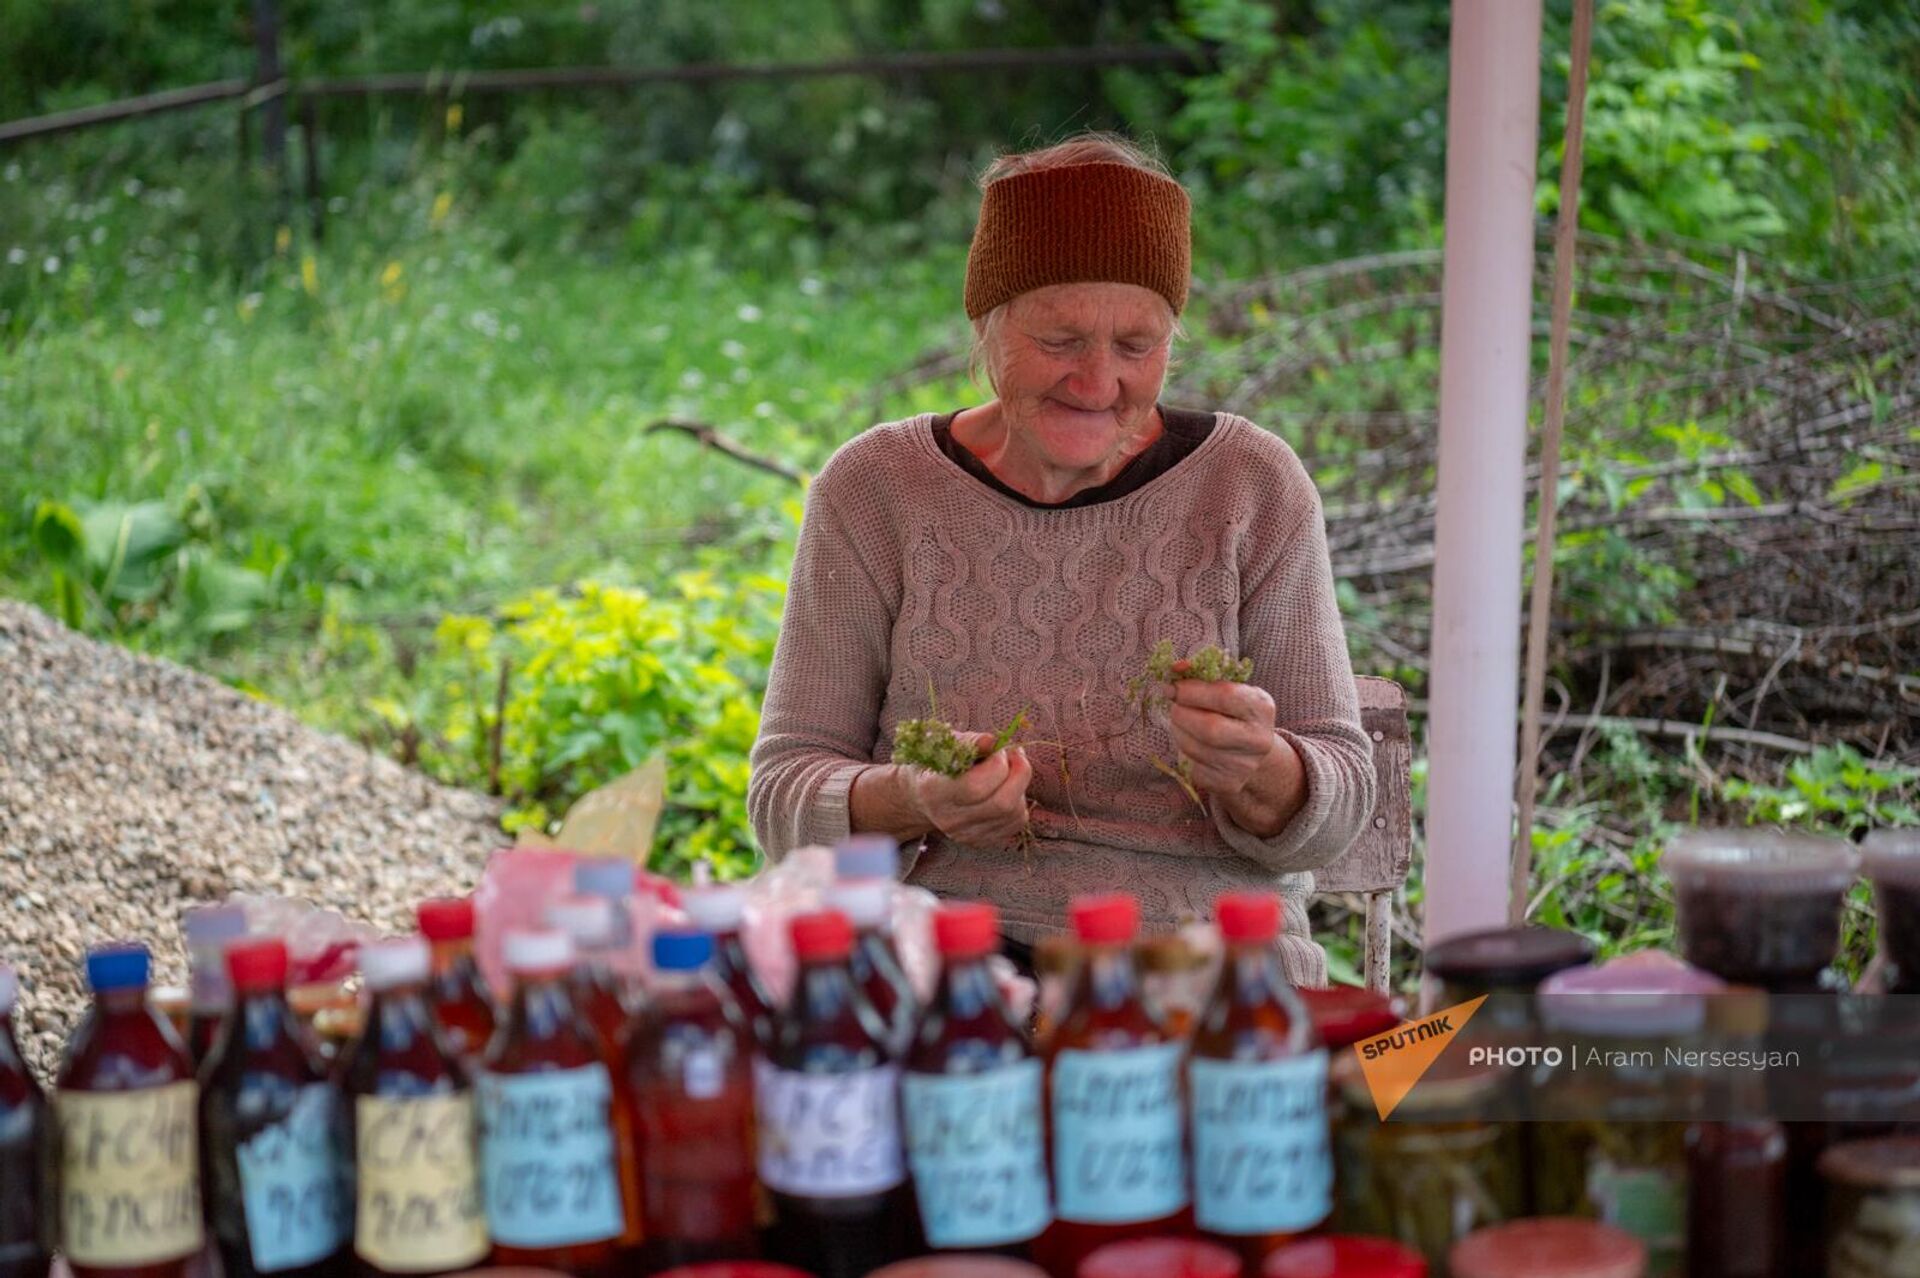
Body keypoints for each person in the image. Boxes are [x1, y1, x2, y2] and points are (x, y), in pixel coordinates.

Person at [747, 133, 1375, 984]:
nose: (1098, 380)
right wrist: (915, 797)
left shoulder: (1249, 485)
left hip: (1211, 970)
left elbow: (1338, 806)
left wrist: (1263, 771)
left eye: (1136, 344)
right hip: (947, 961)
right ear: (989, 326)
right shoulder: (877, 490)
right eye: (1060, 339)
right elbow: (784, 792)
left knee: (1457, 1067)